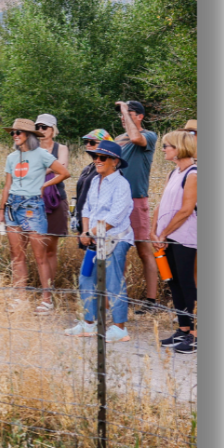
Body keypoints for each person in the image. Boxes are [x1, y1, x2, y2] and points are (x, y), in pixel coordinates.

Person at [63, 139, 133, 343]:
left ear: (115, 161)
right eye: (95, 156)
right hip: (94, 239)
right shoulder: (95, 180)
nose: (97, 160)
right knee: (86, 278)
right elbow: (86, 209)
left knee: (113, 282)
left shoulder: (122, 184)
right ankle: (89, 323)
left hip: (114, 239)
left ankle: (120, 328)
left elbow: (115, 218)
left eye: (102, 157)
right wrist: (85, 231)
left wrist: (89, 233)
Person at [1, 117, 70, 312]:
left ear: (28, 135)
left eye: (18, 132)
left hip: (32, 205)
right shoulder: (11, 157)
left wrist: (44, 185)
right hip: (12, 206)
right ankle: (20, 298)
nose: (14, 136)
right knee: (17, 254)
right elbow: (7, 185)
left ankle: (46, 299)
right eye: (13, 133)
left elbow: (64, 172)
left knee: (40, 256)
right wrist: (0, 210)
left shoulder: (41, 154)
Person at [115, 100, 162, 314]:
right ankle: (118, 298)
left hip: (136, 199)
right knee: (118, 250)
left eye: (129, 113)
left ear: (140, 116)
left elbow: (136, 137)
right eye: (122, 113)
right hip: (118, 201)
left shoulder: (149, 136)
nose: (123, 116)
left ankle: (151, 301)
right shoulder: (117, 140)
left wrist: (125, 109)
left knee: (144, 250)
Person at [155, 130, 198, 354]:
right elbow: (161, 205)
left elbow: (186, 210)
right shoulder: (173, 173)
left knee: (187, 283)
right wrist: (155, 231)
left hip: (185, 237)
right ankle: (183, 328)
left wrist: (165, 233)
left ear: (179, 148)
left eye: (166, 146)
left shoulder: (193, 174)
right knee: (174, 282)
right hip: (167, 237)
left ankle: (195, 335)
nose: (163, 149)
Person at [35, 114, 73, 261]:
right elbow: (58, 167)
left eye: (44, 127)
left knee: (51, 249)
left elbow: (63, 168)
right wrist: (53, 166)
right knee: (39, 248)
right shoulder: (32, 149)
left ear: (52, 130)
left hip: (56, 198)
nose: (40, 130)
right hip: (35, 199)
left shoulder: (61, 148)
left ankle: (50, 284)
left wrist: (42, 170)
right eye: (38, 127)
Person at [71, 128, 109, 235]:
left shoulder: (106, 170)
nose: (88, 144)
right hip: (83, 219)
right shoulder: (88, 168)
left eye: (92, 142)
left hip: (96, 222)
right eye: (86, 142)